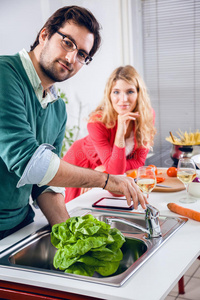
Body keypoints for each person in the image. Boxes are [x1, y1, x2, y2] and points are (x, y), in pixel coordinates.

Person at [0, 6, 147, 240]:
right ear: (45, 34)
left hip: (20, 225)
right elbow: (31, 162)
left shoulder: (57, 108)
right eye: (67, 42)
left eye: (81, 54)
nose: (71, 58)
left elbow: (45, 185)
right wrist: (106, 180)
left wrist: (74, 238)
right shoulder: (5, 75)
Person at [63, 65, 156, 202]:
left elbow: (139, 161)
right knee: (77, 215)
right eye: (116, 92)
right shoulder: (97, 121)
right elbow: (115, 173)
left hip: (106, 173)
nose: (123, 99)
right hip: (81, 166)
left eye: (130, 92)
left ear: (138, 93)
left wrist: (106, 169)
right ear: (109, 94)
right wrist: (120, 134)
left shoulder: (146, 115)